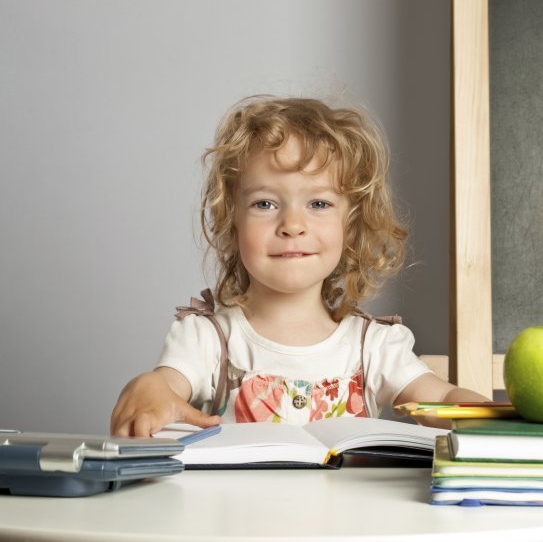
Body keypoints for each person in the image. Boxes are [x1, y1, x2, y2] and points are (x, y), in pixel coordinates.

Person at [111, 95, 489, 437]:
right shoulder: (208, 340)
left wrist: (491, 416)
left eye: (319, 204)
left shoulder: (373, 347)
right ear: (232, 220)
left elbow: (441, 400)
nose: (293, 225)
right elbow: (165, 386)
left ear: (350, 223)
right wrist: (148, 389)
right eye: (265, 204)